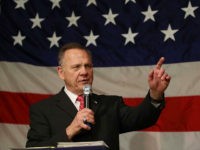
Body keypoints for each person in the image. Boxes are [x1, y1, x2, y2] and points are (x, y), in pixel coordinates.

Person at [26, 42, 171, 150]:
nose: (84, 72)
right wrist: (70, 130)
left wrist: (155, 94)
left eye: (88, 66)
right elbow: (34, 148)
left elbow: (142, 118)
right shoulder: (42, 110)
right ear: (61, 72)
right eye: (76, 67)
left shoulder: (111, 104)